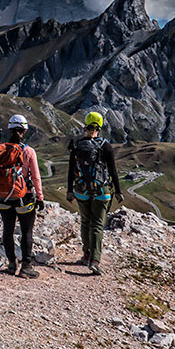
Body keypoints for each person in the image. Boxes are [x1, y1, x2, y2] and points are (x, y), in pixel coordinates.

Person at [0, 114, 45, 278]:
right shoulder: (28, 151)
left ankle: (11, 264)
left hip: (2, 197)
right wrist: (40, 197)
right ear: (25, 130)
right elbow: (35, 177)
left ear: (9, 129)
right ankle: (26, 267)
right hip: (25, 197)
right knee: (26, 232)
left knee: (7, 230)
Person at [66, 111, 124, 275]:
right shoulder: (105, 145)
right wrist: (118, 191)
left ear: (85, 126)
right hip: (101, 191)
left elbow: (71, 170)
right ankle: (95, 260)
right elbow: (113, 171)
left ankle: (86, 254)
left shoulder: (76, 145)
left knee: (85, 222)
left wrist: (70, 190)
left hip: (81, 190)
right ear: (100, 126)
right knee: (97, 224)